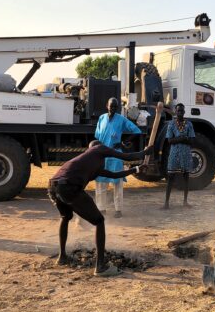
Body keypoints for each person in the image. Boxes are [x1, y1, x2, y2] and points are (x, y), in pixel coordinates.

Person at [49, 140, 153, 276]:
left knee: (66, 217)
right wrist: (145, 152)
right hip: (69, 187)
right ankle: (100, 266)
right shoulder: (98, 149)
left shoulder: (90, 165)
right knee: (99, 221)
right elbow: (127, 157)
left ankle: (62, 257)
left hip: (53, 186)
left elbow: (115, 175)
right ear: (97, 148)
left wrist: (137, 169)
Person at [94, 97, 142, 219]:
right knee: (100, 183)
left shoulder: (121, 119)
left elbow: (136, 131)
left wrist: (123, 143)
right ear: (107, 105)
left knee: (118, 184)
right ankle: (101, 208)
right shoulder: (102, 118)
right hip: (102, 155)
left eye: (115, 107)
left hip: (115, 155)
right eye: (111, 106)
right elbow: (97, 137)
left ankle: (118, 210)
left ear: (118, 108)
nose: (113, 108)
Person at [163, 103, 195, 209]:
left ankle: (185, 202)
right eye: (178, 111)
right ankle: (166, 203)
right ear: (175, 112)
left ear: (184, 112)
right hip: (174, 154)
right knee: (170, 177)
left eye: (182, 111)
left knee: (186, 177)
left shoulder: (189, 124)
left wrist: (179, 139)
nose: (180, 112)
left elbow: (192, 140)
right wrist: (183, 139)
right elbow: (169, 140)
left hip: (185, 154)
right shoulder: (171, 124)